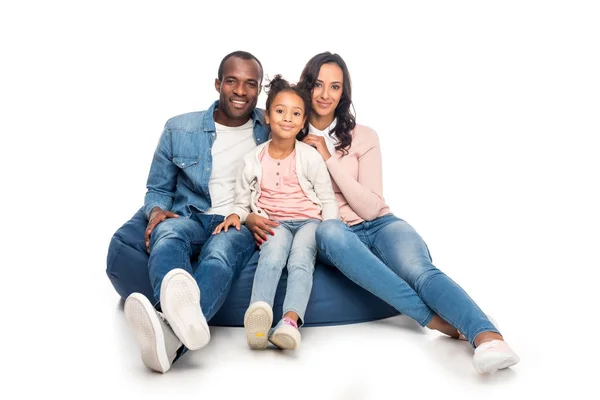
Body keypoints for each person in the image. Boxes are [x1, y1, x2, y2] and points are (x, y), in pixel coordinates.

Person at [247, 52, 520, 374]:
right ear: (306, 87)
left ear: (343, 93)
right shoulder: (290, 133)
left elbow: (371, 206)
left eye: (335, 87)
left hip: (380, 225)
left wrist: (329, 157)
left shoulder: (364, 136)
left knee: (417, 269)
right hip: (335, 233)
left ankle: (489, 338)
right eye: (318, 85)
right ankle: (437, 320)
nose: (325, 94)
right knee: (330, 231)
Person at [122, 50, 269, 373]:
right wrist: (157, 211)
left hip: (239, 222)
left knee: (220, 254)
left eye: (250, 84)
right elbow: (158, 189)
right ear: (218, 84)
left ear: (259, 90)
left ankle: (165, 333)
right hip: (190, 216)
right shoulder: (179, 129)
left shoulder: (273, 128)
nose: (241, 91)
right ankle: (177, 330)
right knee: (168, 232)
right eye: (232, 81)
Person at [213, 75, 338, 351]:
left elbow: (327, 199)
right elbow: (241, 200)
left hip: (309, 222)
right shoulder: (253, 158)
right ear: (267, 117)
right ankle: (258, 316)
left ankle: (289, 322)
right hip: (274, 222)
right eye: (280, 111)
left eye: (295, 114)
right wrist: (238, 215)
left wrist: (331, 230)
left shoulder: (310, 156)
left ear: (303, 121)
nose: (287, 118)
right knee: (272, 255)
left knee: (301, 261)